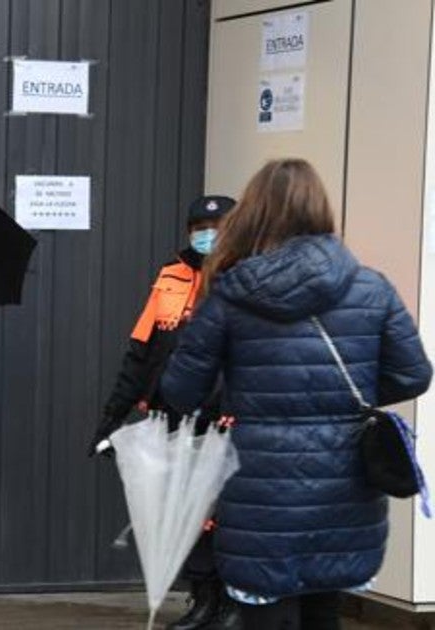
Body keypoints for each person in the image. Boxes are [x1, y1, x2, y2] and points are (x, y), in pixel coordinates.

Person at [159, 158, 432, 630]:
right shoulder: (371, 287)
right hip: (345, 481)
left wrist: (243, 388)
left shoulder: (230, 291)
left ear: (254, 214)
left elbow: (181, 392)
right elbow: (413, 375)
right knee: (325, 606)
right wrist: (348, 398)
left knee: (264, 610)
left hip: (259, 484)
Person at [92, 195, 241, 630]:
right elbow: (141, 350)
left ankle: (232, 603)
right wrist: (112, 416)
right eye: (198, 225)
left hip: (224, 420)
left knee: (223, 513)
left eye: (216, 225)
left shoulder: (243, 280)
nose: (206, 234)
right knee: (186, 510)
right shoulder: (169, 276)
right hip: (172, 414)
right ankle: (202, 600)